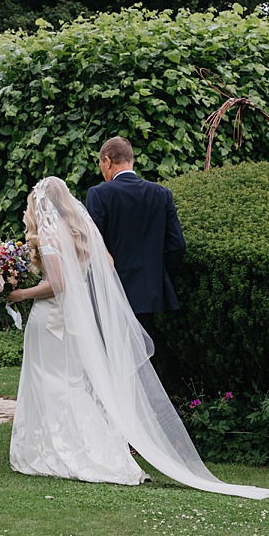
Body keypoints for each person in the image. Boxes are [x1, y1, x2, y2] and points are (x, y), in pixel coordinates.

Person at [5, 176, 269, 499]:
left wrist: (18, 293)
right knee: (71, 382)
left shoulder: (50, 233)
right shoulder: (80, 230)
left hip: (52, 317)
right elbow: (107, 263)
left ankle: (54, 448)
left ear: (41, 204)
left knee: (50, 381)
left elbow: (60, 284)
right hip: (74, 318)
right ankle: (91, 445)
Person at [82, 136, 185, 372]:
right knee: (144, 362)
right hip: (150, 295)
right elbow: (177, 245)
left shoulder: (99, 194)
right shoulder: (161, 194)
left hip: (113, 292)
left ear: (107, 161)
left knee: (114, 362)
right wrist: (157, 273)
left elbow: (92, 245)